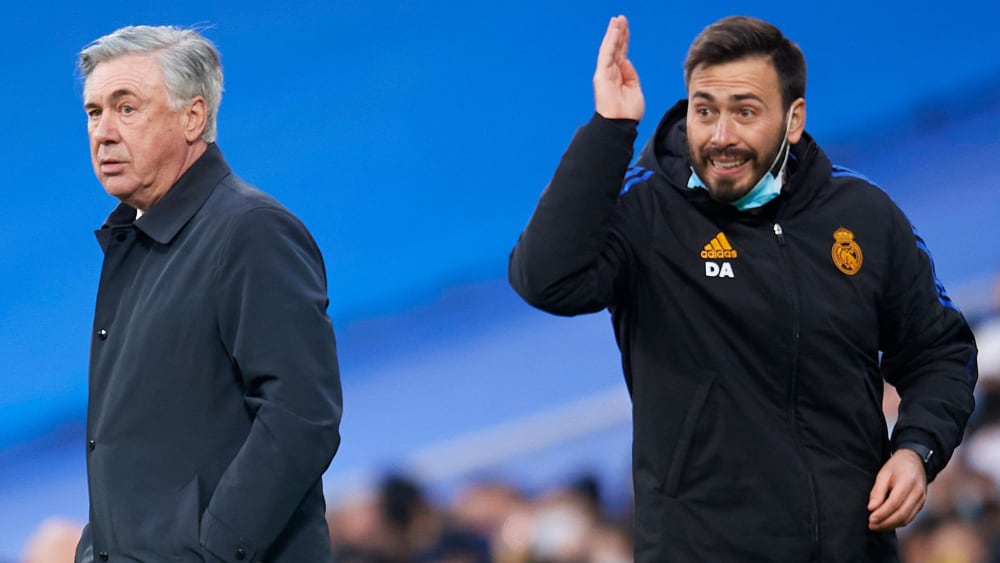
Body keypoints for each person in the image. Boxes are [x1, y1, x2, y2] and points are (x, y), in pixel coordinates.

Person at [508, 15, 978, 562]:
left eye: (745, 112)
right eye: (705, 110)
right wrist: (609, 128)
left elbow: (939, 351)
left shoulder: (862, 215)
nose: (721, 136)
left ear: (793, 120)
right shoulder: (646, 211)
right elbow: (545, 280)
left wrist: (917, 450)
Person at [76, 26, 343, 562]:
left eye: (126, 108)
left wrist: (215, 551)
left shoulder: (250, 229)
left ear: (193, 117)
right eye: (94, 112)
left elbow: (301, 415)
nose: (104, 132)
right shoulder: (135, 242)